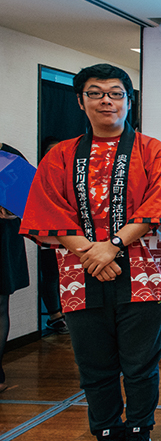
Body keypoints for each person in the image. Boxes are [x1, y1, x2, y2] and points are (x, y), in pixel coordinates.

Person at [19, 63, 161, 441]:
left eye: (115, 93)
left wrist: (112, 247)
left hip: (141, 273)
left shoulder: (153, 151)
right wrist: (92, 253)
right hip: (79, 272)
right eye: (96, 93)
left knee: (140, 364)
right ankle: (107, 435)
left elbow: (157, 207)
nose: (106, 100)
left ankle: (139, 433)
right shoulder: (60, 155)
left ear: (129, 101)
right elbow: (46, 209)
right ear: (80, 101)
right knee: (94, 364)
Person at [0, 143, 31, 393]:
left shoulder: (9, 155)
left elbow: (28, 198)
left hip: (3, 239)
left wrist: (11, 209)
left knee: (0, 304)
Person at [39, 136, 69, 335]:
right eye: (50, 150)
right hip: (48, 234)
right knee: (50, 274)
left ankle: (68, 313)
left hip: (72, 235)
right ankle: (55, 316)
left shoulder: (73, 174)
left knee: (67, 274)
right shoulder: (39, 177)